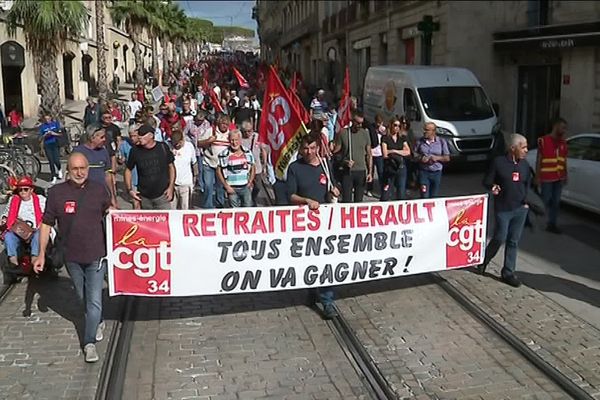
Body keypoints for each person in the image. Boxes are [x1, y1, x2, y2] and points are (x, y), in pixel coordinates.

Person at [33, 153, 111, 363]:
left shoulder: (99, 189)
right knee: (83, 298)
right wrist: (40, 253)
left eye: (83, 168)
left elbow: (110, 212)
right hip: (72, 256)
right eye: (75, 169)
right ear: (68, 171)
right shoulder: (57, 193)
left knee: (93, 300)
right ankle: (98, 321)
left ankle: (89, 343)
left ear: (88, 169)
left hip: (97, 254)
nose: (79, 172)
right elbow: (46, 224)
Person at [287, 132, 340, 319]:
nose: (308, 152)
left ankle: (327, 301)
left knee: (326, 260)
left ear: (317, 148)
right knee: (310, 259)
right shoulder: (294, 168)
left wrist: (334, 190)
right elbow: (291, 195)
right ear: (300, 149)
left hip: (325, 222)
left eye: (312, 148)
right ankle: (311, 288)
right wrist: (306, 201)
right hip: (305, 222)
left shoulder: (325, 166)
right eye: (305, 148)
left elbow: (332, 187)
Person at [478, 134, 531, 288]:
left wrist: (526, 202)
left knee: (513, 241)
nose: (526, 150)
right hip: (503, 208)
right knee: (499, 237)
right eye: (523, 147)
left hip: (520, 209)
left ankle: (508, 272)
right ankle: (484, 260)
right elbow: (487, 180)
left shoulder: (525, 165)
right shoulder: (499, 163)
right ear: (512, 148)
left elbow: (527, 184)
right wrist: (492, 186)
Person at [125, 124, 175, 210]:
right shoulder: (135, 151)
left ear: (151, 136)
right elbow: (128, 170)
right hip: (144, 197)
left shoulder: (162, 147)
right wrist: (130, 190)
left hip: (162, 195)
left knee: (164, 222)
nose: (140, 137)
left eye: (143, 135)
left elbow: (171, 167)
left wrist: (171, 187)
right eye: (139, 134)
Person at [2, 176, 46, 267]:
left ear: (31, 190)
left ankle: (34, 257)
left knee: (39, 233)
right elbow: (6, 213)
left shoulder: (40, 199)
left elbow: (48, 214)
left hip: (35, 229)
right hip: (18, 230)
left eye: (26, 189)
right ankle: (13, 260)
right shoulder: (13, 200)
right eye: (20, 190)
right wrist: (3, 219)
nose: (22, 192)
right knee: (8, 236)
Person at [536, 117, 568, 234]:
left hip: (559, 177)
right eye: (563, 127)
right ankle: (536, 220)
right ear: (556, 126)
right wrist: (537, 176)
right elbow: (539, 159)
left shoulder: (563, 143)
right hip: (547, 177)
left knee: (556, 202)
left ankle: (552, 224)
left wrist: (566, 175)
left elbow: (564, 160)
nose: (564, 130)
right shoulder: (544, 140)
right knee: (545, 200)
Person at [73, 125, 118, 208]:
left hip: (101, 195)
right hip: (83, 197)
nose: (104, 140)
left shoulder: (104, 151)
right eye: (102, 137)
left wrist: (113, 197)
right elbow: (70, 175)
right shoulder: (78, 152)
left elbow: (108, 175)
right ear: (92, 138)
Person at [333, 111, 372, 203]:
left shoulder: (365, 133)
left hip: (361, 171)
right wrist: (344, 161)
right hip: (348, 171)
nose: (360, 125)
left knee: (359, 201)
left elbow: (369, 154)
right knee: (347, 200)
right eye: (358, 123)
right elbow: (336, 153)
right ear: (352, 121)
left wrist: (370, 172)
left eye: (361, 123)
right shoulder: (344, 133)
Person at [198, 114, 231, 209]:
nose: (225, 126)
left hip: (221, 166)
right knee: (208, 186)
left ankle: (220, 205)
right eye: (223, 123)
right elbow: (199, 143)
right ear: (219, 123)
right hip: (208, 163)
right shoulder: (211, 131)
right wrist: (208, 141)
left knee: (220, 187)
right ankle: (207, 207)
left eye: (226, 124)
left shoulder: (229, 134)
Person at [217, 130, 255, 208]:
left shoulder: (247, 152)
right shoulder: (224, 154)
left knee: (248, 208)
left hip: (245, 187)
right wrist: (226, 186)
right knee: (234, 211)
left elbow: (253, 167)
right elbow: (218, 171)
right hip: (232, 188)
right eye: (232, 140)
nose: (234, 143)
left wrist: (250, 181)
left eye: (236, 140)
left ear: (240, 140)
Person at [414, 122, 450, 198]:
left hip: (436, 172)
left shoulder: (441, 142)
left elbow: (447, 158)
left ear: (433, 131)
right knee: (424, 195)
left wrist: (437, 158)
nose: (424, 132)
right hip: (424, 172)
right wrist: (421, 158)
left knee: (434, 196)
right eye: (424, 129)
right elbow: (414, 155)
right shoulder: (420, 141)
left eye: (427, 130)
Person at [381, 116, 412, 200]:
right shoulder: (385, 138)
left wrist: (394, 151)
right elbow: (385, 153)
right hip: (390, 166)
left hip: (401, 167)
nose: (397, 128)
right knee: (386, 192)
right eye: (395, 125)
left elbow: (408, 152)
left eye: (399, 126)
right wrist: (401, 151)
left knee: (401, 192)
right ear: (391, 125)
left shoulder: (402, 138)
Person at [184, 109, 211, 192]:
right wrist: (189, 141)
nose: (199, 122)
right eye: (198, 120)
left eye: (201, 120)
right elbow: (184, 133)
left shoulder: (206, 124)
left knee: (201, 168)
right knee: (194, 167)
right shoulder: (190, 123)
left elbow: (208, 136)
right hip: (193, 148)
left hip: (202, 150)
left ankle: (202, 185)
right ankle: (195, 182)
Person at [171, 130, 197, 210]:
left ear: (182, 140)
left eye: (178, 143)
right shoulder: (168, 147)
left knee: (185, 208)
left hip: (186, 183)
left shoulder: (189, 146)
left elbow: (194, 163)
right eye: (175, 144)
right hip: (172, 184)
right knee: (172, 209)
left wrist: (195, 178)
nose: (177, 145)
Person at [118, 126, 140, 209]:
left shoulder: (143, 144)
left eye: (134, 136)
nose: (132, 138)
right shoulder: (124, 145)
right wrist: (120, 159)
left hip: (144, 177)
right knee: (136, 202)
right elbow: (121, 160)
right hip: (133, 178)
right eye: (131, 136)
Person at [39, 112, 63, 184]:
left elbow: (61, 134)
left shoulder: (55, 124)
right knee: (51, 161)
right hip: (47, 145)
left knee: (56, 160)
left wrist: (53, 133)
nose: (47, 120)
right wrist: (45, 135)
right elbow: (40, 138)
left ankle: (59, 169)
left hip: (55, 143)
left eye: (48, 119)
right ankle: (53, 177)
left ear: (51, 118)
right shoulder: (42, 126)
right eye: (46, 119)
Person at [367, 114, 385, 198]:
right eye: (378, 123)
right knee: (371, 172)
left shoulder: (383, 129)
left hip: (380, 154)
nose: (379, 124)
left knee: (381, 172)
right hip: (372, 153)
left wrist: (383, 132)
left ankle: (382, 189)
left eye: (380, 123)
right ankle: (369, 189)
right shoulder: (371, 129)